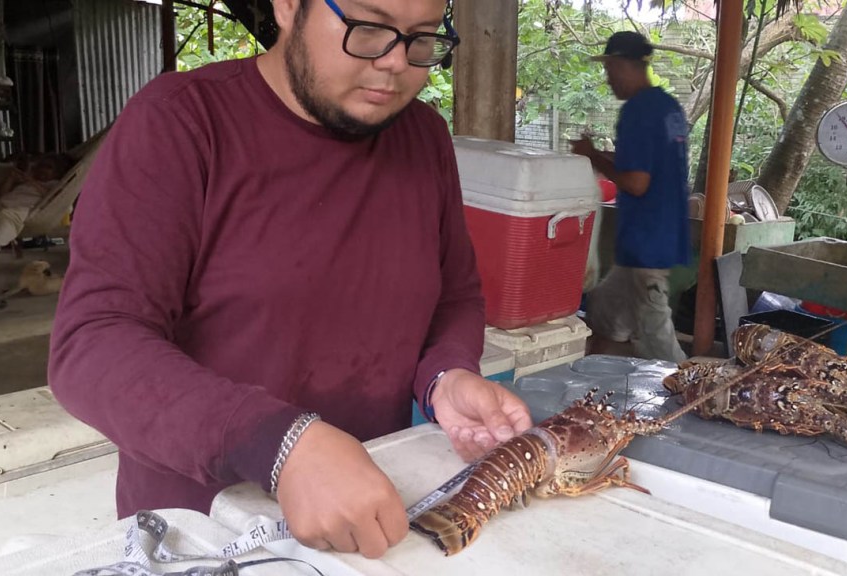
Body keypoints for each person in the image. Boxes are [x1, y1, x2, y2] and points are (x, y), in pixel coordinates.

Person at [48, 0, 531, 560]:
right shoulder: (182, 122)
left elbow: (454, 296)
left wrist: (446, 375)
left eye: (422, 38)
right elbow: (93, 344)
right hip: (202, 535)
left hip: (370, 521)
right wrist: (280, 444)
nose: (397, 62)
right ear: (286, 7)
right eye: (369, 28)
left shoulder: (422, 137)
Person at [570, 31, 690, 364]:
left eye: (609, 69)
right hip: (653, 241)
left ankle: (692, 388)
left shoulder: (637, 112)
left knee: (657, 343)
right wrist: (595, 153)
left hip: (646, 244)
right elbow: (645, 164)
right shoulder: (667, 107)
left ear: (623, 65)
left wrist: (592, 158)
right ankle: (591, 381)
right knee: (602, 317)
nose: (608, 79)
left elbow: (637, 182)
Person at [0, 152, 74, 264]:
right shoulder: (24, 183)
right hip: (0, 204)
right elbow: (2, 195)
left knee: (7, 217)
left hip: (21, 210)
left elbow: (54, 197)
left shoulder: (54, 184)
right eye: (41, 166)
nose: (42, 170)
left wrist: (31, 181)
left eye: (48, 167)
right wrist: (11, 179)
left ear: (57, 172)